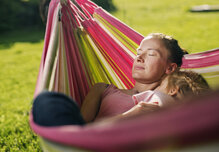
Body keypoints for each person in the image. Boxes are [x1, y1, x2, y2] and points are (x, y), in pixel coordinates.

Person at [33, 33, 202, 126]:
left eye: (151, 54)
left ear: (170, 68)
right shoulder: (102, 89)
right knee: (47, 102)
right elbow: (80, 129)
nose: (140, 58)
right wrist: (131, 115)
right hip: (89, 143)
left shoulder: (165, 96)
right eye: (138, 53)